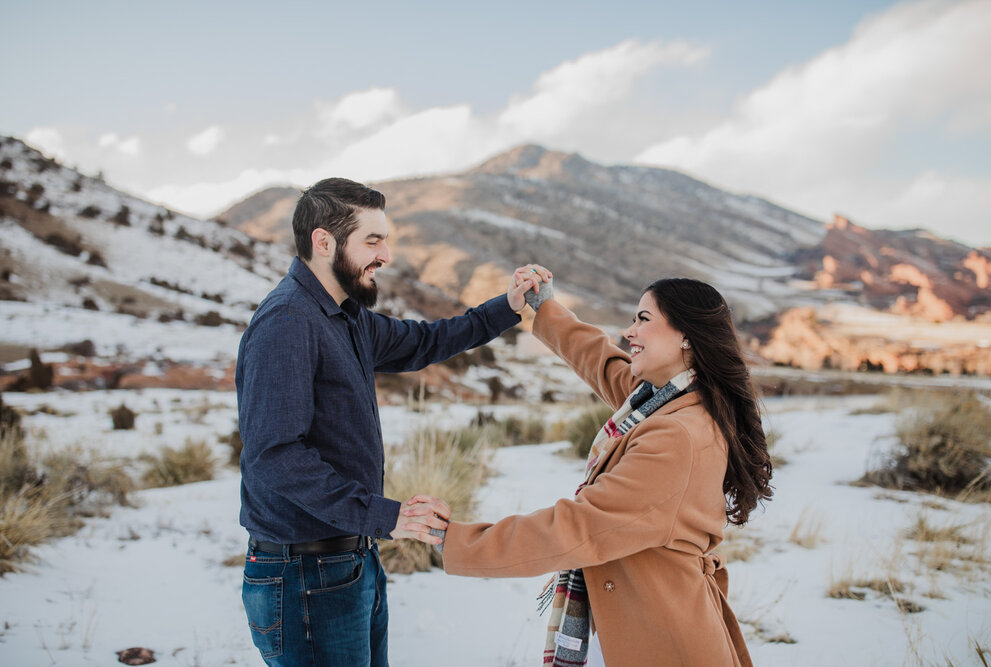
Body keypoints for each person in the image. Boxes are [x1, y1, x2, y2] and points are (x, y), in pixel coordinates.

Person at [235, 177, 543, 666]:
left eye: (386, 239)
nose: (386, 255)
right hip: (304, 576)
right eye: (372, 241)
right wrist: (389, 516)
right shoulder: (288, 321)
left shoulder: (347, 315)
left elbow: (424, 342)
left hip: (349, 561)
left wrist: (505, 307)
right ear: (324, 242)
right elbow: (276, 456)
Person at [432, 272, 773, 666]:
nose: (630, 331)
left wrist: (459, 542)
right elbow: (599, 359)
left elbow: (579, 528)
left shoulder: (676, 434)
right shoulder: (664, 400)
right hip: (635, 620)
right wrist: (546, 307)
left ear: (685, 335)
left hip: (662, 635)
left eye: (643, 319)